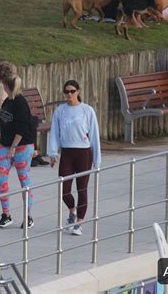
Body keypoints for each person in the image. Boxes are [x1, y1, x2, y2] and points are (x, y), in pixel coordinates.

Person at [48, 80, 101, 236]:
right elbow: (55, 133)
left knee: (82, 189)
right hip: (67, 152)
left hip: (83, 152)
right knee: (64, 188)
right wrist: (53, 153)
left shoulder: (87, 110)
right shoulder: (60, 111)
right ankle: (72, 211)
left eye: (72, 91)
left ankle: (79, 223)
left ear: (78, 91)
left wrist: (97, 160)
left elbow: (94, 136)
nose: (69, 94)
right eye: (66, 92)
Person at [0, 75, 36, 229]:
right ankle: (6, 215)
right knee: (1, 179)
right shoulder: (8, 101)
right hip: (5, 146)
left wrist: (13, 147)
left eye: (4, 85)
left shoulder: (20, 103)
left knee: (24, 181)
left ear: (8, 86)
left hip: (22, 146)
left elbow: (23, 128)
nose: (2, 87)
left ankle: (28, 216)